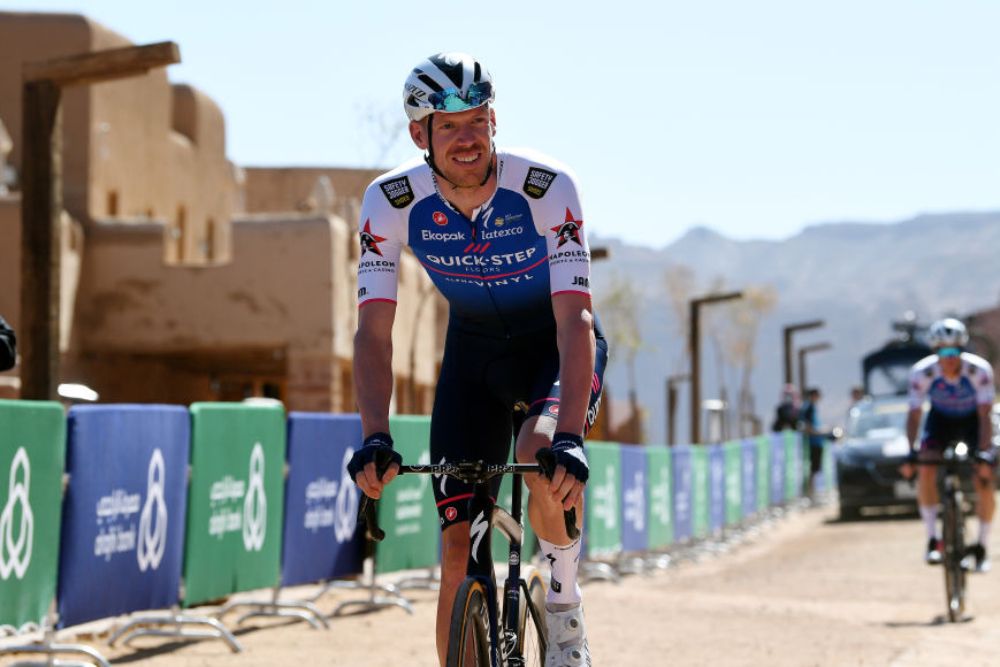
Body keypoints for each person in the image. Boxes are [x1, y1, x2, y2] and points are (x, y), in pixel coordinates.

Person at [346, 52, 606, 667]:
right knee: (457, 552)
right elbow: (373, 331)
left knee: (538, 453)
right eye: (449, 125)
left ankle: (565, 607)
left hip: (554, 348)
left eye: (478, 121)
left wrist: (568, 435)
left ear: (494, 121)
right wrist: (374, 435)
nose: (467, 138)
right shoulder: (389, 202)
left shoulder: (546, 187)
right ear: (420, 135)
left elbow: (576, 319)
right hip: (472, 357)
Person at [900, 318, 995, 571]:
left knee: (983, 478)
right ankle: (933, 539)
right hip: (940, 421)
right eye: (943, 351)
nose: (950, 357)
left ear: (962, 350)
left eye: (955, 351)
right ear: (935, 352)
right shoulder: (922, 372)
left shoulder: (979, 371)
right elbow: (914, 415)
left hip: (973, 421)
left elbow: (985, 415)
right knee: (926, 469)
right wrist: (911, 452)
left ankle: (982, 546)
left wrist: (984, 453)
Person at [799, 387, 825, 498]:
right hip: (813, 442)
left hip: (816, 441)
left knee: (815, 468)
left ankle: (812, 492)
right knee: (813, 469)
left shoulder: (811, 407)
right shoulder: (808, 407)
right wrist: (816, 433)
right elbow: (806, 425)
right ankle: (810, 493)